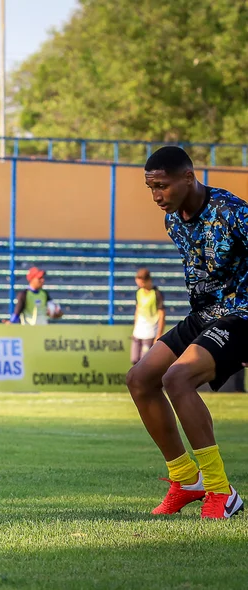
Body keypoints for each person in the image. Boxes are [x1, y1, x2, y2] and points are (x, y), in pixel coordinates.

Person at [126, 146, 247, 519]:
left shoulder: (232, 212)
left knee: (177, 378)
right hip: (203, 316)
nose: (156, 196)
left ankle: (220, 490)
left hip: (241, 314)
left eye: (161, 186)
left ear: (188, 178)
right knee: (140, 379)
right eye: (150, 188)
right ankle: (185, 479)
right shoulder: (173, 221)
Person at [130, 267, 166, 365]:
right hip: (138, 332)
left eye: (141, 283)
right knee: (134, 359)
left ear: (148, 280)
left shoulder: (156, 294)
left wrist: (159, 334)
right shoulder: (138, 292)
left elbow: (162, 314)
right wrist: (134, 328)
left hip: (150, 332)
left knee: (143, 361)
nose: (140, 285)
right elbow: (137, 310)